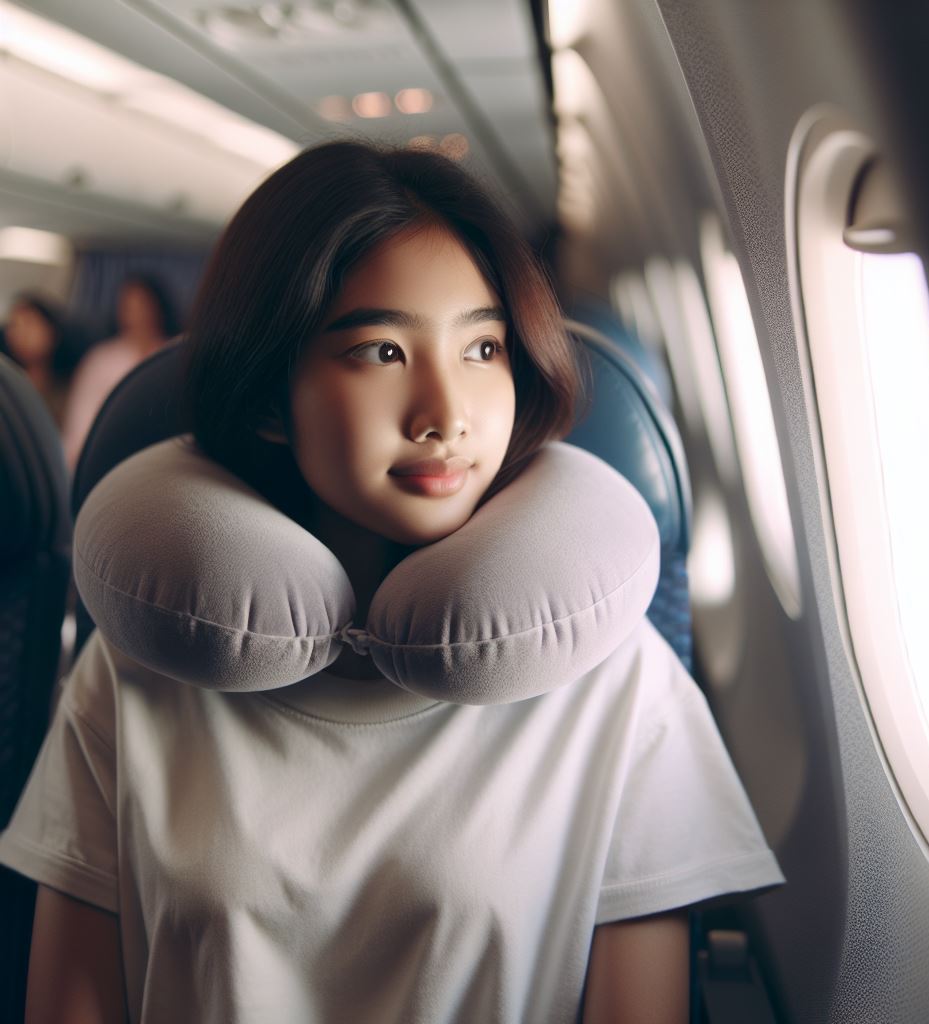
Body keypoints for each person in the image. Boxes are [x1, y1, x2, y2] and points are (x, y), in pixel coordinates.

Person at [0, 141, 783, 1023]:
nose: (446, 413)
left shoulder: (616, 678)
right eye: (380, 352)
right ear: (267, 394)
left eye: (483, 346)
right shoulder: (131, 674)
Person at [61, 273, 179, 468]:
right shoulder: (101, 359)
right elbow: (80, 423)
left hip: (168, 460)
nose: (137, 313)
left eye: (143, 305)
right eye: (129, 306)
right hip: (112, 461)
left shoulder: (175, 354)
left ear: (157, 307)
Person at [1, 292, 76, 425]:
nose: (21, 333)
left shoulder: (68, 389)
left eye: (29, 323)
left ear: (52, 331)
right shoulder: (6, 384)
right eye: (14, 325)